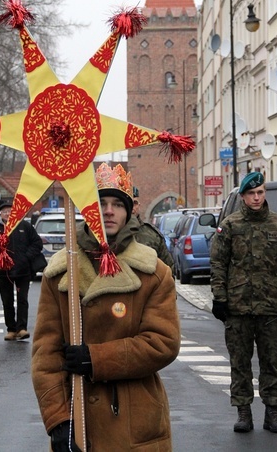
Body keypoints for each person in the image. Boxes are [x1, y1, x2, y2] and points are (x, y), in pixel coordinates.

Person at [31, 163, 180, 451]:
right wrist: (58, 420)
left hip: (135, 423)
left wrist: (96, 359)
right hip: (78, 420)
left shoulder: (153, 272)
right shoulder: (61, 272)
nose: (109, 211)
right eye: (100, 202)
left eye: (116, 204)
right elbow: (45, 356)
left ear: (128, 211)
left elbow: (163, 342)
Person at [209, 171, 277, 434]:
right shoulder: (230, 226)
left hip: (271, 306)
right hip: (238, 308)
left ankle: (272, 412)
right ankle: (243, 412)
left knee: (271, 362)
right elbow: (218, 264)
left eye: (260, 192)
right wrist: (220, 298)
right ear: (243, 196)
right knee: (239, 362)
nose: (256, 197)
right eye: (251, 193)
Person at [0, 200, 43, 341]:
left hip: (23, 270)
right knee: (7, 301)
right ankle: (11, 329)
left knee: (23, 299)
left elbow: (37, 243)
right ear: (0, 214)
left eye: (10, 211)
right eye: (4, 211)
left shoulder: (24, 226)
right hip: (3, 272)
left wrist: (25, 257)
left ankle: (22, 328)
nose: (7, 214)